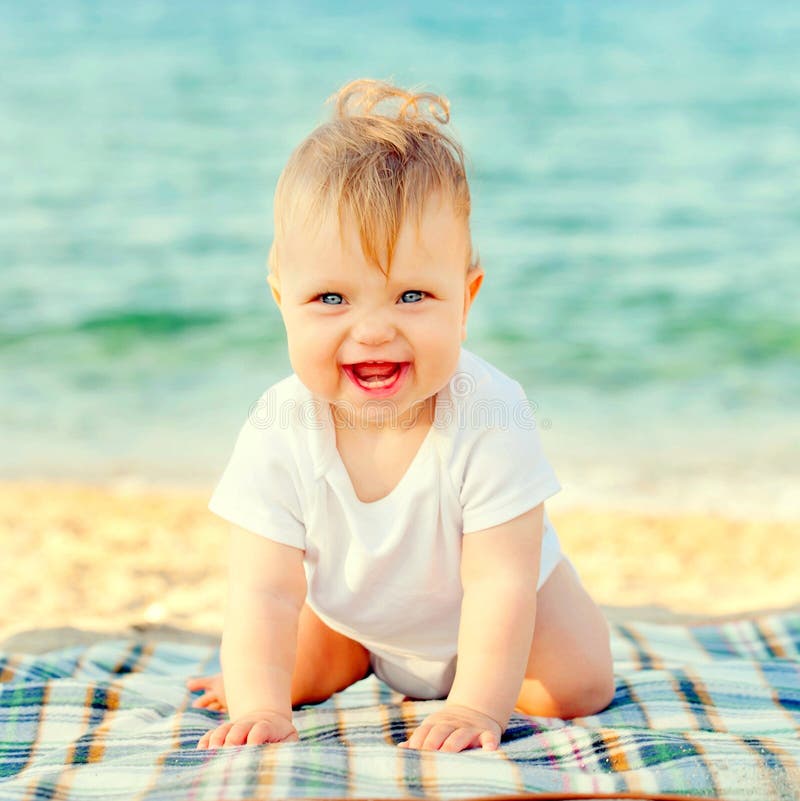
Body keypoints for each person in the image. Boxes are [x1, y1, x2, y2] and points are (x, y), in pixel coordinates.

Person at [188, 78, 615, 753]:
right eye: (331, 298)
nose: (374, 330)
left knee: (578, 690)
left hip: (509, 613)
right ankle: (351, 652)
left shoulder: (490, 412)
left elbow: (500, 583)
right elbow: (262, 591)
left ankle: (445, 676)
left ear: (466, 299)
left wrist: (475, 703)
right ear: (281, 299)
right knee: (276, 670)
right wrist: (259, 702)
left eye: (412, 294)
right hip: (363, 614)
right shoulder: (280, 425)